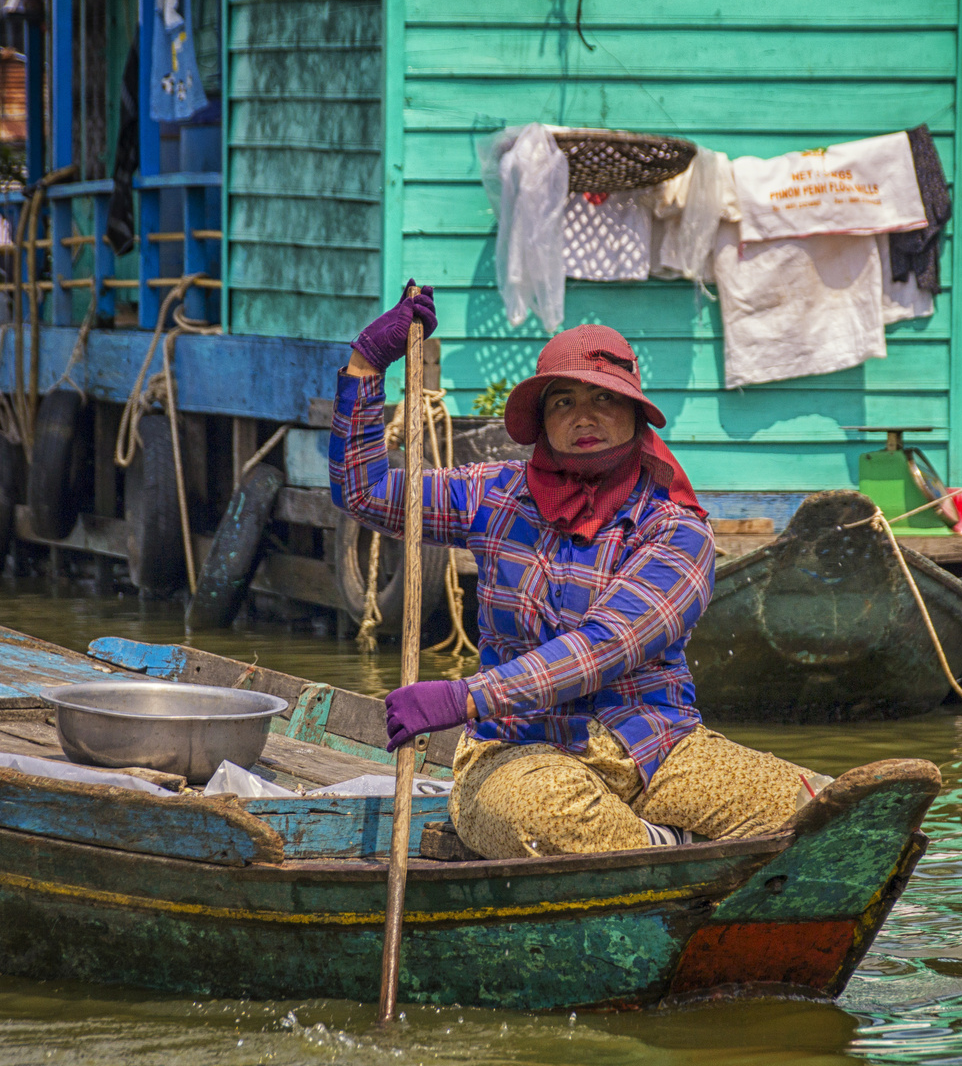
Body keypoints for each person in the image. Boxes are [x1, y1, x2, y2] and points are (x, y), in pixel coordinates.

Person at [330, 285, 824, 860]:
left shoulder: (676, 529)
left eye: (604, 400)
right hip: (517, 748)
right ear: (542, 421)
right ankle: (667, 847)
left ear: (635, 415)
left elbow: (604, 647)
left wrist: (464, 696)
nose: (584, 417)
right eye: (563, 401)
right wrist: (366, 363)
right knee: (546, 823)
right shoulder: (495, 495)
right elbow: (364, 492)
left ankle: (654, 843)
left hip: (655, 748)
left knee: (818, 807)